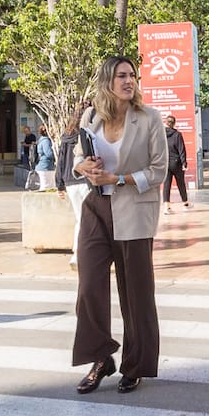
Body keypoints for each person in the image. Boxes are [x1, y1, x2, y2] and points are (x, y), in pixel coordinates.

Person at [71, 57, 168, 396]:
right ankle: (101, 358)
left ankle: (135, 365)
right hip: (96, 208)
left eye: (132, 75)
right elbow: (76, 159)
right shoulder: (91, 116)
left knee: (136, 294)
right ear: (106, 81)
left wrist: (119, 178)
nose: (129, 81)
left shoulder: (149, 118)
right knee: (89, 286)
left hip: (134, 211)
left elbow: (158, 170)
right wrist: (84, 166)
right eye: (121, 76)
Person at [55, 105, 88, 269]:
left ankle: (78, 253)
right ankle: (79, 253)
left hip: (70, 182)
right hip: (85, 179)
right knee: (86, 219)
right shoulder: (86, 134)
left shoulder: (66, 136)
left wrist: (59, 185)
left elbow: (61, 161)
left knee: (80, 218)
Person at [162, 114, 189, 213]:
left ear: (165, 122)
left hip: (165, 162)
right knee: (181, 183)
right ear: (174, 124)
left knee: (166, 185)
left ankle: (166, 207)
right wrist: (184, 162)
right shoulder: (177, 134)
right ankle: (185, 204)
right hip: (176, 163)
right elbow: (181, 149)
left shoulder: (161, 135)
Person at [27, 123, 54, 191]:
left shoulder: (41, 140)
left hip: (41, 166)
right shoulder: (46, 141)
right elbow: (49, 154)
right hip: (45, 167)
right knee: (46, 189)